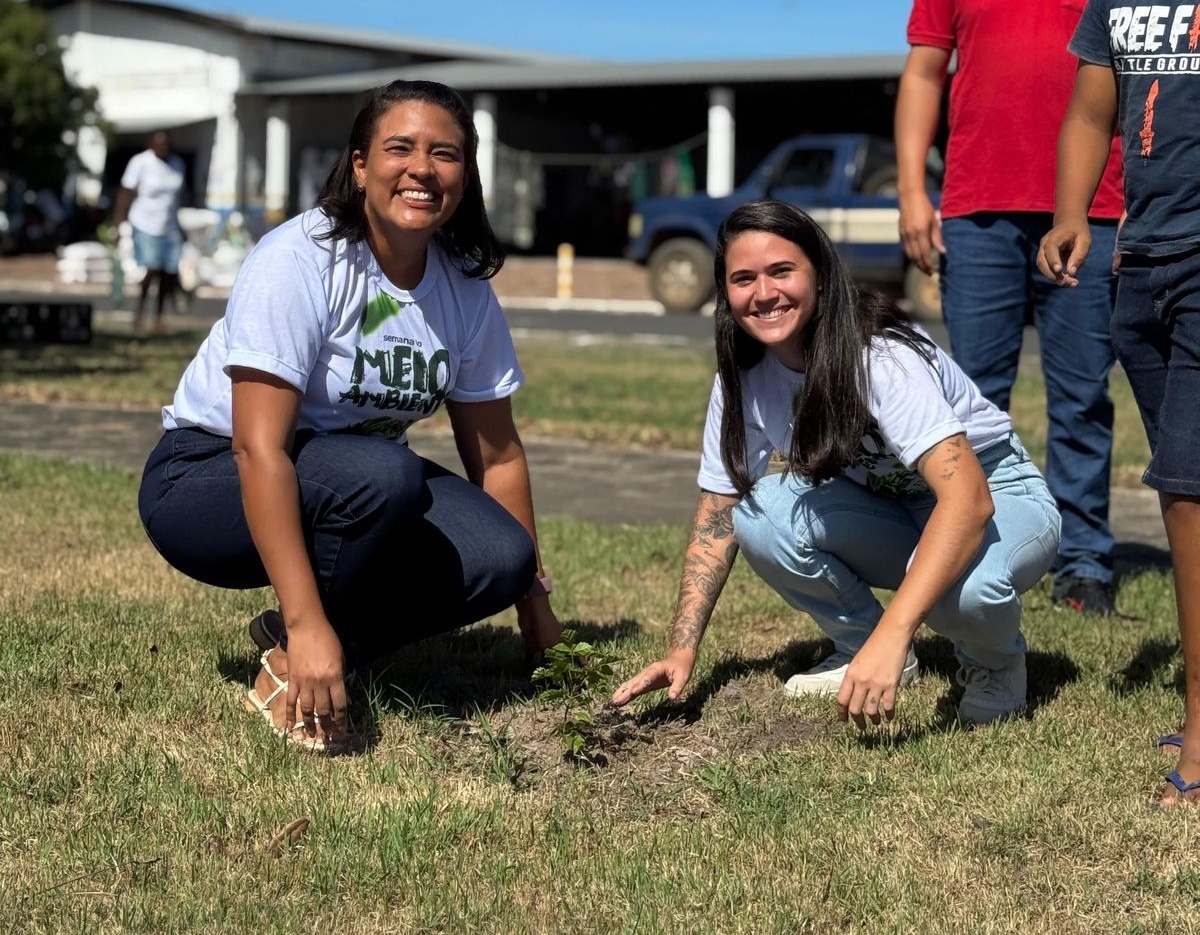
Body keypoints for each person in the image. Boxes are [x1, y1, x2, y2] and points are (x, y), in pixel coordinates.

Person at [137, 80, 562, 752]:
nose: (423, 169)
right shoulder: (298, 259)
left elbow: (498, 454)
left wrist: (535, 605)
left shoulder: (463, 286)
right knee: (385, 474)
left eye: (445, 154)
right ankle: (307, 636)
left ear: (465, 173)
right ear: (360, 165)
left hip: (354, 481)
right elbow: (257, 449)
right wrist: (309, 620)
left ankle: (300, 648)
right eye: (400, 148)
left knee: (501, 555)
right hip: (204, 478)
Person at [612, 201, 1060, 728]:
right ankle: (862, 647)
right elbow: (719, 506)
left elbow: (969, 502)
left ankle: (994, 665)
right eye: (743, 278)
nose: (764, 293)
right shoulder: (744, 377)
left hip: (997, 495)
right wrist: (682, 649)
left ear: (820, 276)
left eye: (782, 271)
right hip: (893, 510)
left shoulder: (880, 355)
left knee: (965, 590)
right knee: (760, 514)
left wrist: (897, 631)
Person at [895, 0, 1124, 615]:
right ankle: (971, 544)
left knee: (1082, 395)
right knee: (970, 399)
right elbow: (923, 72)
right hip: (978, 210)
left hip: (1095, 206)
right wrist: (912, 190)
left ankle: (1083, 562)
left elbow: (1143, 76)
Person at [1037, 1, 1200, 807]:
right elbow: (1090, 112)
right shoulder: (1116, 3)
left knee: (1187, 488)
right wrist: (1072, 215)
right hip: (1140, 263)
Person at [112, 130, 187, 332]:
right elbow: (125, 192)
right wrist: (118, 223)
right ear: (151, 144)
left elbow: (177, 198)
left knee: (168, 273)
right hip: (145, 223)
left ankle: (159, 317)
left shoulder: (177, 164)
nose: (163, 148)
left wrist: (181, 226)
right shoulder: (140, 162)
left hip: (170, 225)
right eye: (159, 144)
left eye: (166, 145)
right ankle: (140, 311)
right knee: (152, 268)